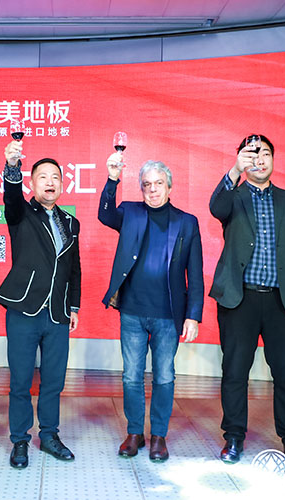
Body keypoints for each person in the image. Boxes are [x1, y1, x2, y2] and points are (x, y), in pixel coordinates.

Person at [209, 135, 285, 469]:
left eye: (265, 154)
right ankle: (234, 437)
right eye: (251, 154)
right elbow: (216, 207)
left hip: (281, 301)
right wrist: (235, 171)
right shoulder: (233, 198)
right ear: (242, 159)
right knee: (234, 371)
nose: (259, 160)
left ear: (274, 159)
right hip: (239, 299)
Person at [99, 153, 204, 461]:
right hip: (132, 311)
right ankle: (135, 433)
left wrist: (193, 316)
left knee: (164, 376)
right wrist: (112, 179)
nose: (153, 189)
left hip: (168, 315)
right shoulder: (130, 212)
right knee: (131, 376)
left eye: (159, 183)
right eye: (147, 184)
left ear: (169, 187)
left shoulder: (187, 222)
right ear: (141, 188)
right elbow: (105, 215)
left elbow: (195, 274)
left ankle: (159, 436)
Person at [0, 139, 81, 469]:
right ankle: (20, 440)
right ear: (32, 183)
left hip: (57, 314)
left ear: (62, 184)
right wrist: (12, 168)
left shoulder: (70, 222)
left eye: (55, 177)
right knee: (20, 381)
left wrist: (74, 307)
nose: (50, 182)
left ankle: (49, 436)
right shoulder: (21, 214)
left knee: (53, 381)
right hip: (24, 310)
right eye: (43, 176)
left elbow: (75, 268)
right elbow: (11, 196)